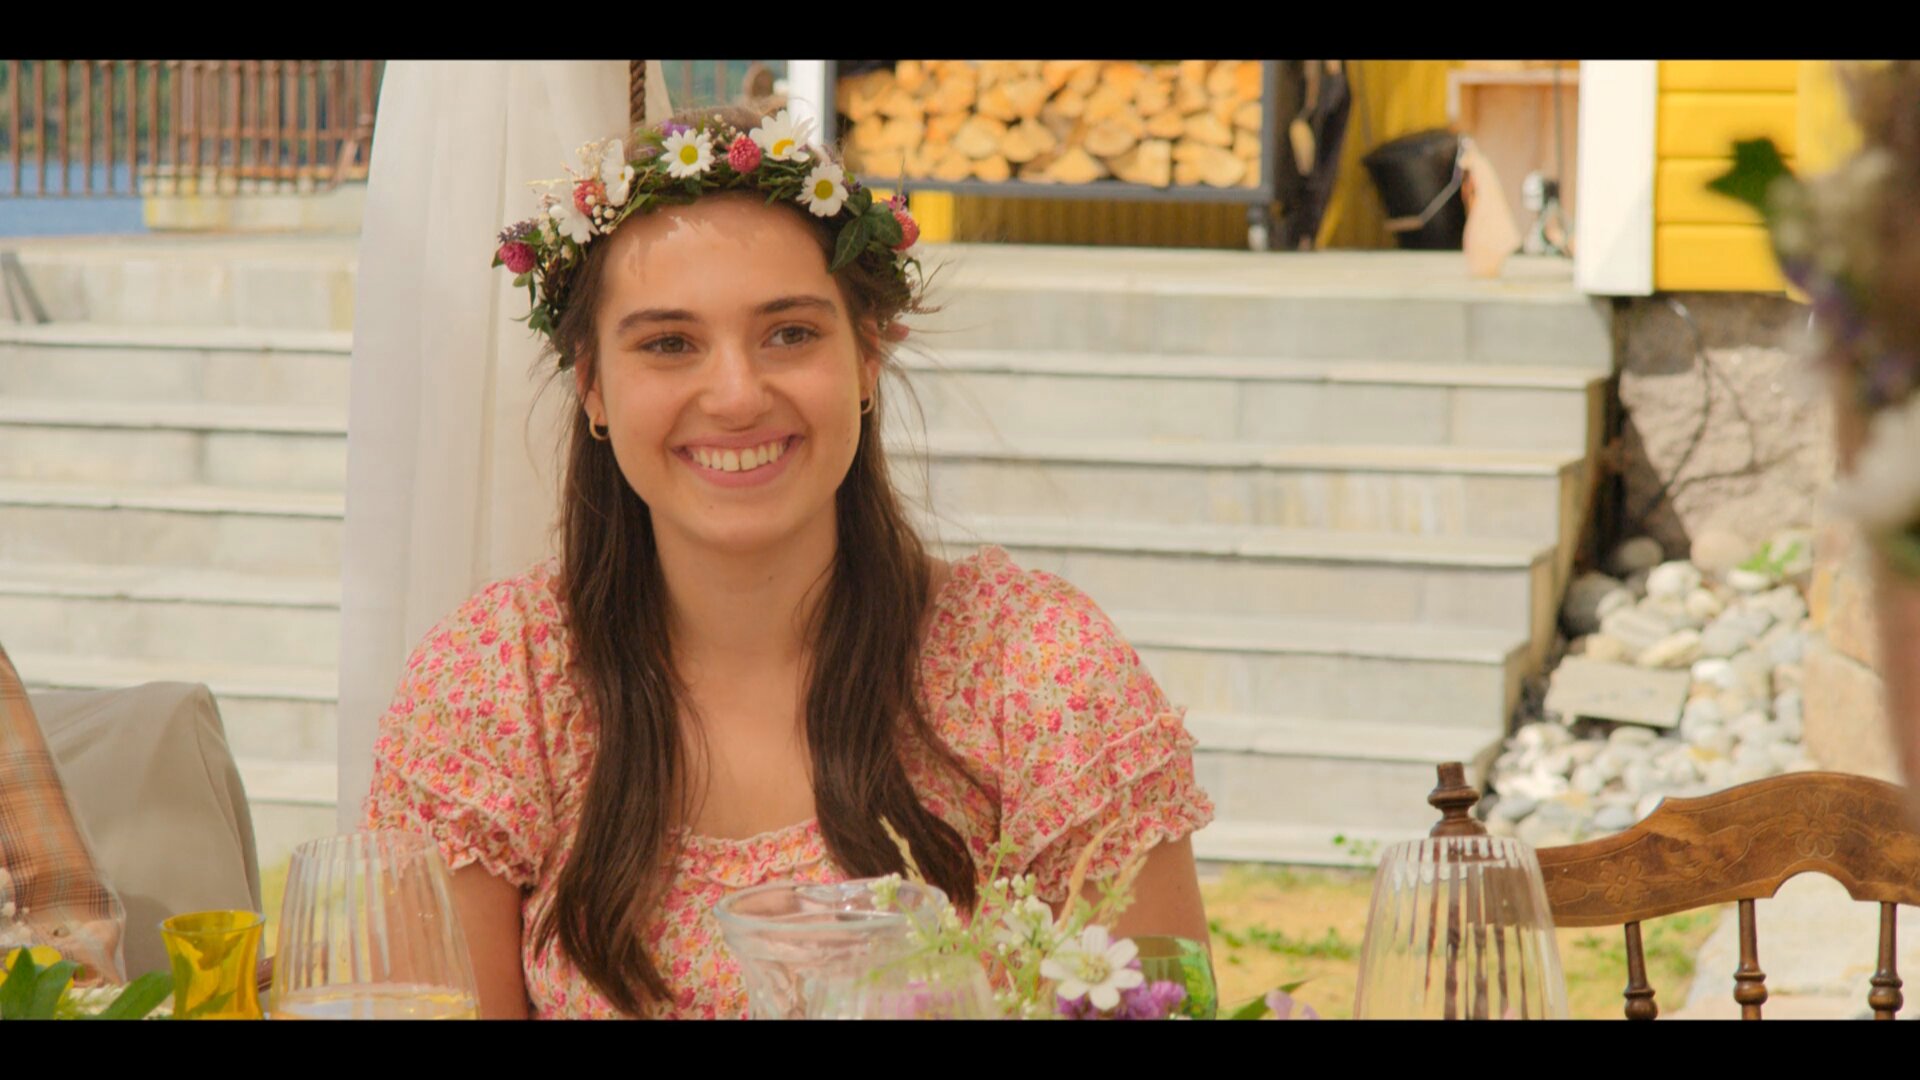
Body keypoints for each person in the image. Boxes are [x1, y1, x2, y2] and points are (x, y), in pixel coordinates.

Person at [362, 103, 1214, 1019]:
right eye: (669, 344)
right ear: (593, 387)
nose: (737, 395)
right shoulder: (496, 684)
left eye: (790, 334)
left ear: (867, 357)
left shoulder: (1039, 671)